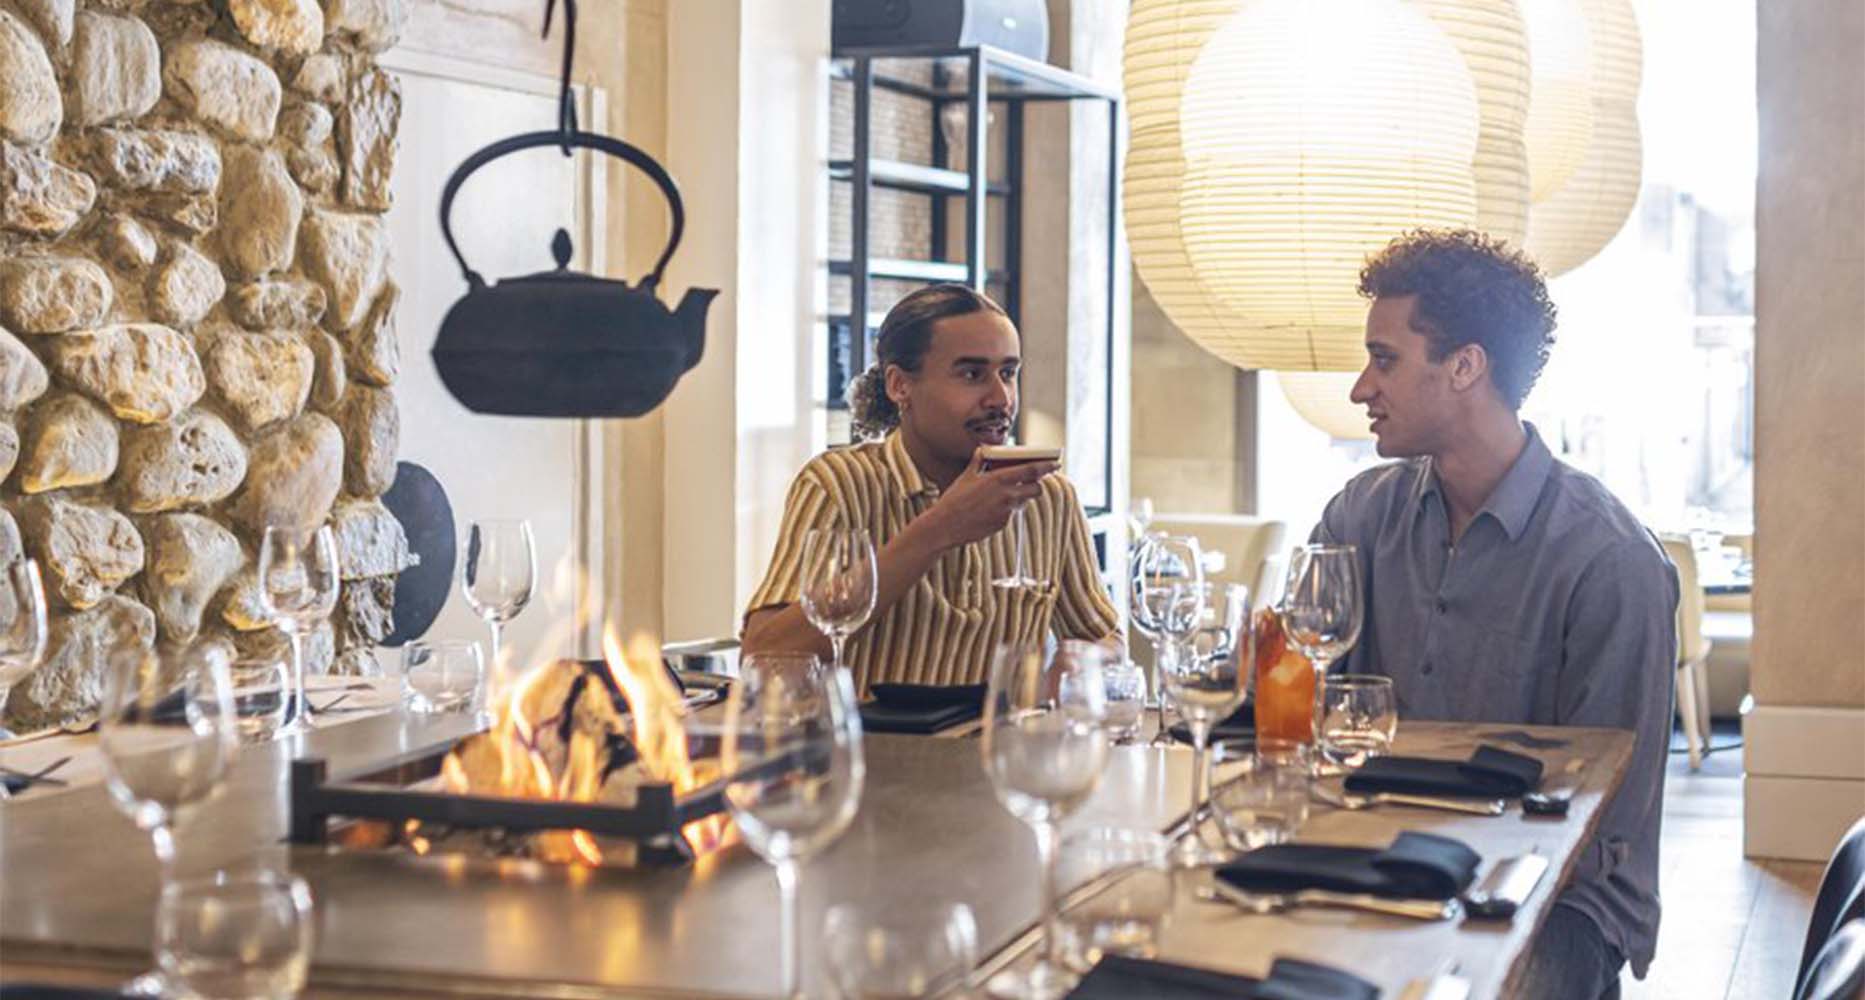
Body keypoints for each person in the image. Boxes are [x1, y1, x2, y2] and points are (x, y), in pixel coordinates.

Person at [1312, 230, 1677, 999]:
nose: (1358, 389)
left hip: (1554, 896)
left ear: (1465, 366)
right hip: (1384, 856)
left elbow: (1598, 820)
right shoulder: (1357, 519)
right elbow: (1303, 710)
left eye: (1384, 359)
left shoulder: (1609, 561)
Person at [741, 284, 1120, 692]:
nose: (1001, 398)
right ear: (899, 386)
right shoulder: (838, 485)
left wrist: (1086, 663)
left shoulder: (1048, 498)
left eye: (1008, 374)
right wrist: (940, 528)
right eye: (972, 375)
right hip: (871, 751)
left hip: (997, 752)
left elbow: (1105, 639)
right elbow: (763, 660)